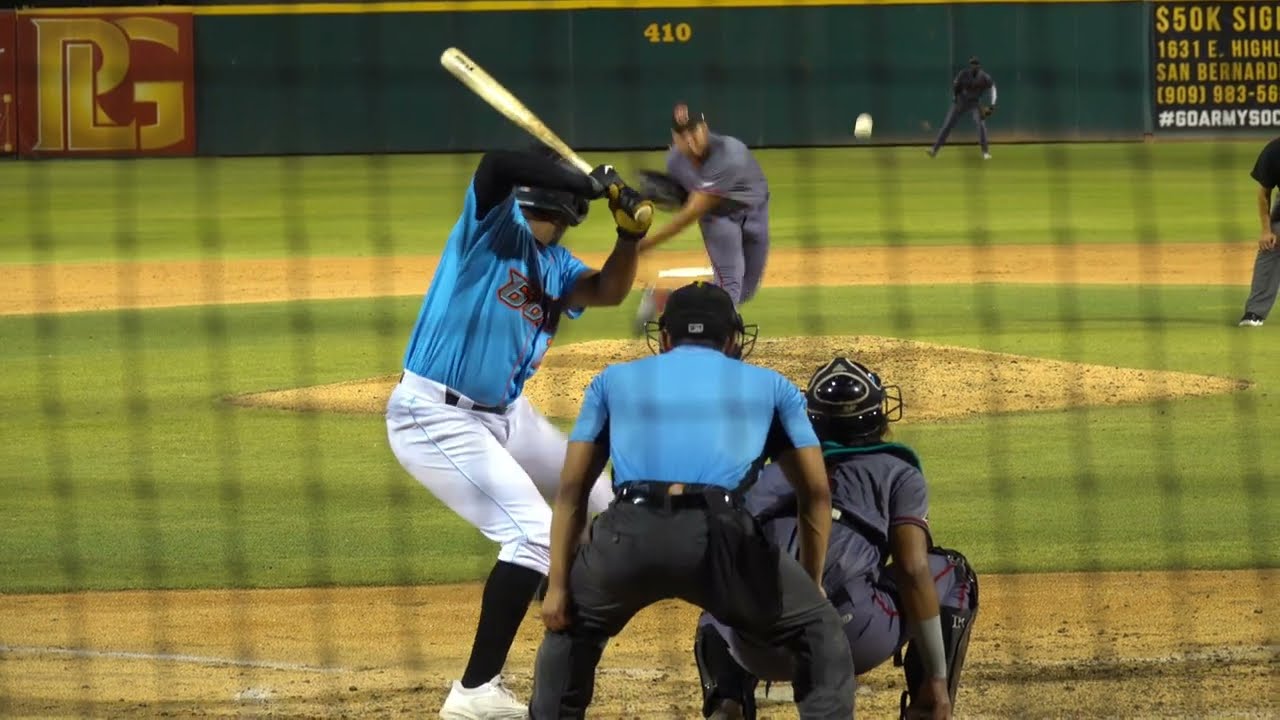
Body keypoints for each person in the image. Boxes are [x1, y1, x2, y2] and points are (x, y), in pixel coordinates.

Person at [384, 143, 653, 719]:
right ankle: (473, 693)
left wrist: (627, 237)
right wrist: (588, 182)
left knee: (601, 499)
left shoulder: (556, 264)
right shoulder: (489, 230)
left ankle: (566, 647)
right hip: (435, 415)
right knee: (532, 534)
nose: (546, 219)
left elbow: (607, 291)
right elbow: (498, 162)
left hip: (507, 415)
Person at [528, 281, 856, 719]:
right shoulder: (773, 387)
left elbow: (571, 493)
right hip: (721, 541)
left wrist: (558, 587)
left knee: (571, 632)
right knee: (817, 628)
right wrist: (811, 583)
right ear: (732, 339)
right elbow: (816, 494)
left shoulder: (611, 381)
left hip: (628, 537)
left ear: (664, 338)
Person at [693, 357, 979, 720]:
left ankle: (727, 704)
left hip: (753, 644)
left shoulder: (770, 472)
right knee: (955, 573)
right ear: (879, 417)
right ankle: (930, 702)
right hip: (847, 637)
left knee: (718, 601)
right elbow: (910, 567)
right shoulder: (898, 473)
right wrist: (937, 679)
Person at [633, 103, 772, 331]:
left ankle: (663, 298)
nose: (689, 139)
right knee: (731, 286)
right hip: (718, 220)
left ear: (704, 128)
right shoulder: (675, 163)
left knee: (746, 290)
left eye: (693, 130)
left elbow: (692, 210)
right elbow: (689, 201)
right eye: (681, 134)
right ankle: (717, 342)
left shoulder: (730, 153)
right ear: (674, 137)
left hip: (755, 213)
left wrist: (648, 243)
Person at [1238, 135, 1280, 327]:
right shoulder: (1274, 150)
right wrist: (1266, 231)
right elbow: (1264, 192)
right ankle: (1255, 312)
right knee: (1271, 245)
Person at [927, 57, 998, 160]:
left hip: (974, 103)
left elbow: (993, 88)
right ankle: (934, 151)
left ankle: (985, 153)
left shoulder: (984, 77)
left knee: (981, 126)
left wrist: (992, 105)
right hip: (961, 101)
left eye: (976, 64)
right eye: (972, 64)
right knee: (947, 125)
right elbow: (956, 85)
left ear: (979, 65)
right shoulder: (964, 74)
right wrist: (955, 97)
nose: (974, 65)